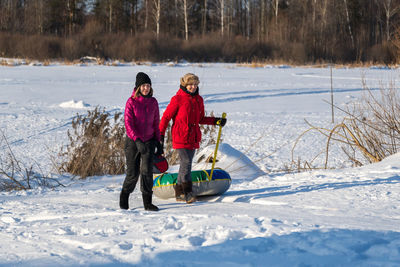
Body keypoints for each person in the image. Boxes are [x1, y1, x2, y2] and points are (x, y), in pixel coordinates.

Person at [159, 73, 227, 203]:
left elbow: (201, 118)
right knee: (186, 163)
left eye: (195, 84)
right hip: (180, 136)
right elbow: (166, 117)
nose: (193, 87)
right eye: (190, 84)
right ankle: (187, 192)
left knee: (186, 165)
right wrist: (160, 135)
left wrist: (216, 121)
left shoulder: (198, 100)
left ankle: (179, 193)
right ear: (185, 85)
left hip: (193, 137)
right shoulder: (177, 99)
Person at [119, 72, 163, 211]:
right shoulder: (131, 101)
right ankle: (124, 197)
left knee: (147, 173)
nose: (146, 88)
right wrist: (137, 140)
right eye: (143, 85)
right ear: (138, 87)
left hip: (149, 141)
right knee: (133, 174)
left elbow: (156, 123)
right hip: (133, 143)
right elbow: (128, 123)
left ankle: (147, 203)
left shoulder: (153, 102)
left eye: (148, 85)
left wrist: (158, 141)